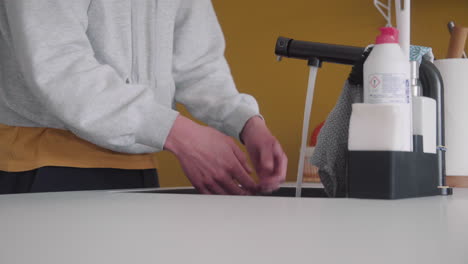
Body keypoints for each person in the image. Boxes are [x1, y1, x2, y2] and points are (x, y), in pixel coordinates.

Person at [0, 0, 287, 195]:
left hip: (138, 164)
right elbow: (58, 62)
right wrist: (178, 133)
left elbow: (197, 62)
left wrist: (246, 122)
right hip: (43, 164)